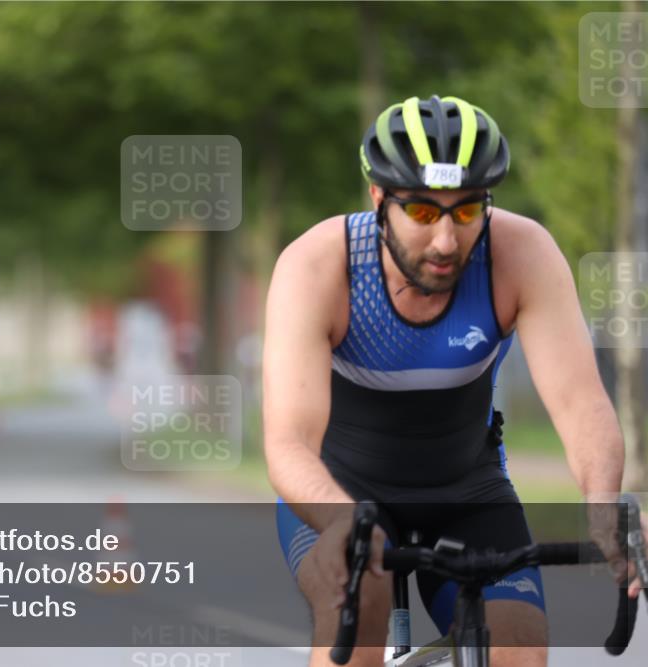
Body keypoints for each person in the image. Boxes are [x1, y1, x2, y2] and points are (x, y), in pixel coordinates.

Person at [264, 95, 643, 667]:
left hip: (468, 492)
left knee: (518, 647)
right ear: (378, 200)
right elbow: (288, 442)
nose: (445, 240)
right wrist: (343, 522)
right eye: (421, 212)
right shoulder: (319, 268)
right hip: (344, 495)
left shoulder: (521, 254)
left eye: (466, 212)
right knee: (356, 613)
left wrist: (602, 503)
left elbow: (581, 402)